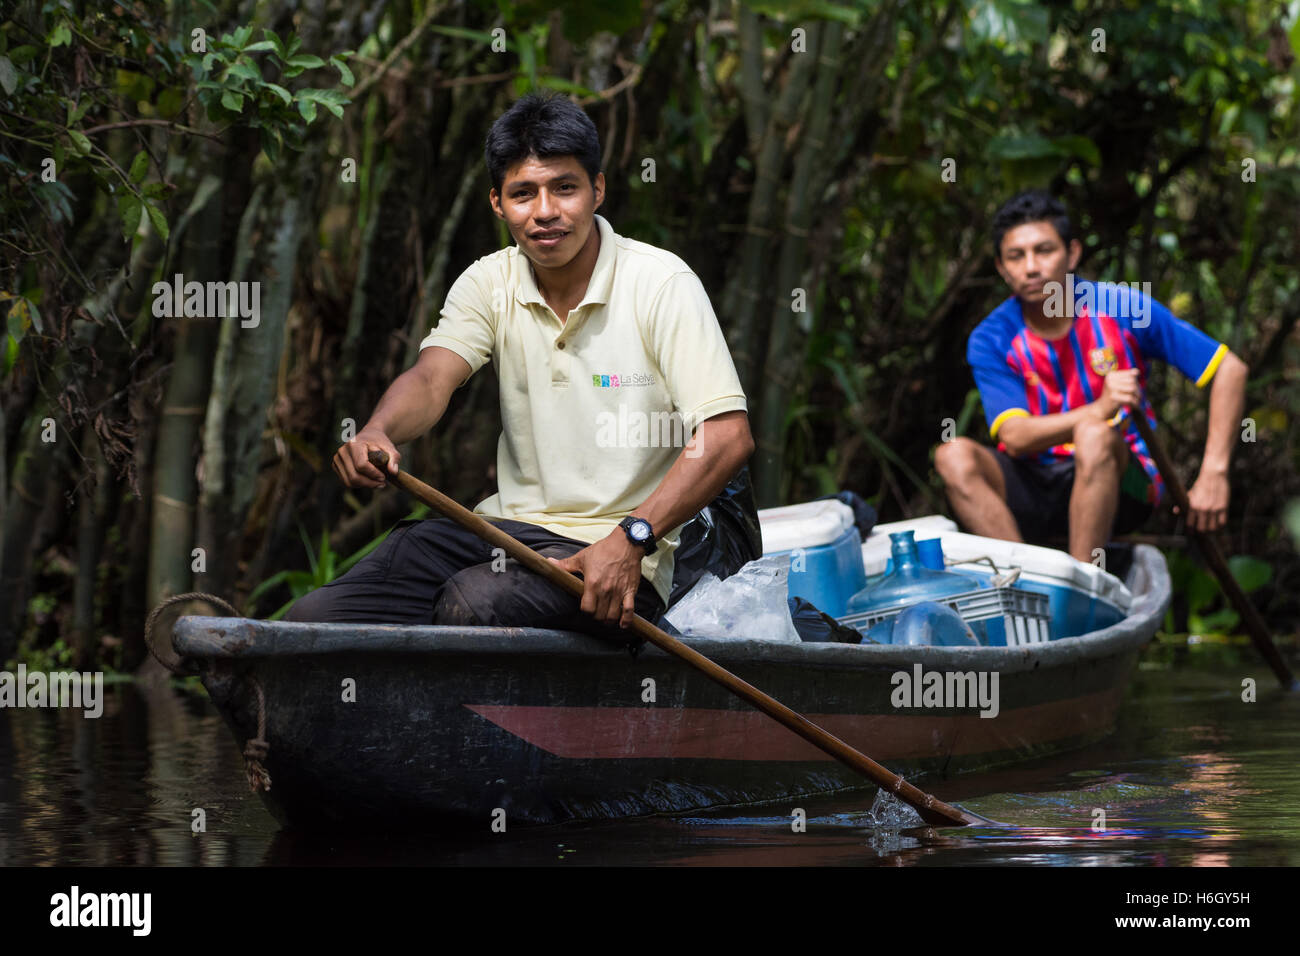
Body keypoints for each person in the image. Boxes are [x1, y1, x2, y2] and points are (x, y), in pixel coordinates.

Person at [286, 93, 754, 643]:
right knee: (309, 623)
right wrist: (378, 430)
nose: (545, 211)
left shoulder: (660, 283)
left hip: (618, 553)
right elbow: (433, 377)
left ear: (597, 190)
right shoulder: (489, 281)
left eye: (565, 188)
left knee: (473, 605)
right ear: (497, 202)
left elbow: (727, 437)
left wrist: (633, 536)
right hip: (501, 531)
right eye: (523, 193)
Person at [935, 190, 1248, 563]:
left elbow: (1229, 368)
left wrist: (1214, 473)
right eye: (1016, 257)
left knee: (1095, 435)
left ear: (1072, 254)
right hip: (1036, 482)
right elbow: (1015, 438)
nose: (1031, 267)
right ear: (1002, 269)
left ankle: (1082, 582)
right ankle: (1023, 578)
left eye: (1044, 250)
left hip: (1123, 484)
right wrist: (1101, 406)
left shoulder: (1122, 307)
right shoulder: (993, 336)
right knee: (952, 455)